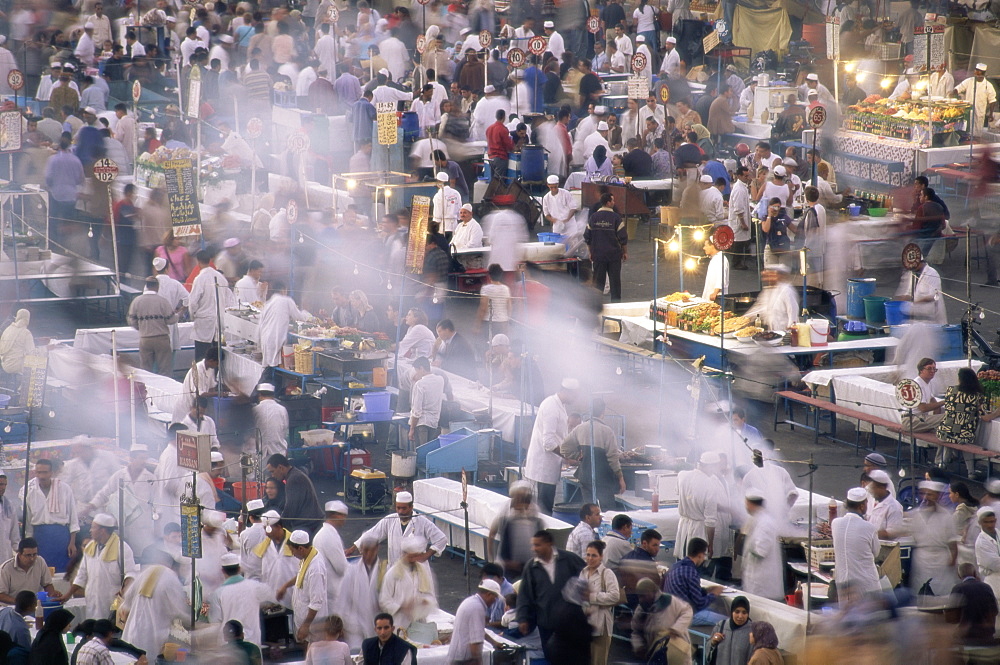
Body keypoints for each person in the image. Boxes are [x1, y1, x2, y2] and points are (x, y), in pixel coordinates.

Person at [516, 530, 586, 661]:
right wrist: (523, 618)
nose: (534, 549)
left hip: (571, 623)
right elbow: (524, 594)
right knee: (551, 657)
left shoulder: (569, 559)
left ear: (549, 544)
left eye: (538, 545)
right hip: (546, 623)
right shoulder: (531, 567)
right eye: (533, 545)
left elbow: (587, 575)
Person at [66, 514, 137, 621]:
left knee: (111, 631)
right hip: (92, 600)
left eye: (93, 527)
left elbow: (130, 573)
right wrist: (68, 595)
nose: (90, 530)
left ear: (102, 530)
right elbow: (81, 575)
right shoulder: (90, 547)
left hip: (112, 600)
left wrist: (124, 590)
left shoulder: (122, 548)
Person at [525, 378, 580, 514]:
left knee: (545, 507)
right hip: (544, 466)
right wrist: (567, 457)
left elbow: (559, 436)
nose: (576, 398)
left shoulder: (559, 405)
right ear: (567, 392)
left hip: (549, 465)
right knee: (544, 510)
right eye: (575, 395)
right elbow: (548, 442)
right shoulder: (551, 406)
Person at [351, 490, 447, 567]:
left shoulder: (422, 522)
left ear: (411, 507)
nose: (400, 511)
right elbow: (372, 534)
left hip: (417, 571)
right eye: (398, 508)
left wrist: (425, 556)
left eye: (404, 508)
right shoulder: (390, 520)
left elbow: (441, 539)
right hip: (395, 570)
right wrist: (353, 548)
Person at [560, 398, 624, 509]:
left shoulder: (579, 429)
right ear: (602, 412)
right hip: (603, 479)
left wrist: (578, 456)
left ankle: (590, 526)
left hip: (585, 477)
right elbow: (613, 458)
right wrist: (621, 478)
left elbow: (564, 448)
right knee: (608, 512)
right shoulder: (607, 431)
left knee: (589, 511)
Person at [935, 367, 1000, 472]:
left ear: (960, 379)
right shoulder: (977, 396)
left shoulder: (950, 390)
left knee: (950, 436)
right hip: (965, 436)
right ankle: (971, 471)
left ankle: (941, 463)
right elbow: (984, 417)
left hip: (944, 432)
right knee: (962, 438)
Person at [208, 552, 275, 648]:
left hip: (229, 645)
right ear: (239, 569)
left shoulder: (217, 594)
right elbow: (271, 598)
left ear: (223, 571)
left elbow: (215, 622)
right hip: (253, 643)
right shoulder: (255, 586)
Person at [906, 480, 959, 595]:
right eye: (923, 494)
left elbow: (953, 544)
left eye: (930, 494)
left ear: (937, 496)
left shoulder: (946, 516)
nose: (926, 497)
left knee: (941, 595)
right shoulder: (916, 514)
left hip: (941, 560)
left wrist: (952, 561)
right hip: (922, 560)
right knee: (921, 594)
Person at [24, 459, 78, 573]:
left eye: (44, 472)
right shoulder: (29, 491)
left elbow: (73, 516)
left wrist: (72, 542)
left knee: (62, 572)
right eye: (38, 472)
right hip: (40, 538)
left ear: (51, 473)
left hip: (61, 537)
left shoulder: (64, 489)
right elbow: (28, 522)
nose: (41, 476)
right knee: (42, 572)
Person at [487, 482, 546, 579]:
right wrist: (492, 559)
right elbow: (492, 534)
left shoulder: (534, 511)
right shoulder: (505, 513)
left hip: (529, 564)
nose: (523, 503)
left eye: (525, 499)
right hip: (508, 565)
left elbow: (541, 535)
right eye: (519, 498)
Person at [831, 487, 881, 602]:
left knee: (848, 616)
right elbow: (876, 552)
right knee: (870, 616)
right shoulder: (869, 527)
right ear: (862, 506)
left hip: (843, 584)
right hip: (865, 585)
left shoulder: (835, 523)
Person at [631, 577, 693, 664]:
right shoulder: (640, 610)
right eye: (639, 596)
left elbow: (687, 610)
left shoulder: (670, 601)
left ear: (652, 592)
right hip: (655, 654)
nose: (641, 599)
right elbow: (636, 631)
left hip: (677, 650)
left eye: (644, 596)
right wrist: (639, 646)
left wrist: (676, 629)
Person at [664, 537, 725, 625]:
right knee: (724, 621)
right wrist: (714, 593)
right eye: (704, 555)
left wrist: (705, 590)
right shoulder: (691, 572)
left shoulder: (676, 566)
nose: (704, 558)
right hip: (682, 615)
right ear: (700, 555)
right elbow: (700, 603)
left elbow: (688, 591)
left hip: (670, 611)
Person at [127, 278, 179, 375]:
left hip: (145, 338)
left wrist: (141, 328)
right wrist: (178, 315)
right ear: (157, 286)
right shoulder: (162, 301)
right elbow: (171, 320)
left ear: (146, 286)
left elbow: (131, 320)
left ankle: (147, 389)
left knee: (146, 370)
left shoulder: (137, 301)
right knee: (164, 369)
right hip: (161, 338)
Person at [580, 541, 619, 665]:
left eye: (594, 555)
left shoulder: (607, 573)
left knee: (598, 661)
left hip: (601, 626)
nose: (590, 559)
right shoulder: (583, 572)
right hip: (584, 625)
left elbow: (615, 596)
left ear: (601, 557)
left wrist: (592, 597)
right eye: (588, 555)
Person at [447, 579, 503, 665]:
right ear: (489, 595)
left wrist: (494, 642)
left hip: (458, 655)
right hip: (463, 660)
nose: (495, 601)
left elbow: (479, 630)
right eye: (494, 598)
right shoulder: (477, 608)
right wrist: (478, 661)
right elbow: (475, 642)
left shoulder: (471, 601)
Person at [741, 489, 784, 601]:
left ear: (750, 504)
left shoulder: (765, 523)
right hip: (755, 582)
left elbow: (761, 551)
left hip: (763, 585)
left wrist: (749, 543)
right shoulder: (757, 519)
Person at [264, 455, 323, 534]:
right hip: (309, 523)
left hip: (309, 525)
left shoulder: (294, 479)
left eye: (272, 471)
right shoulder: (294, 475)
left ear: (280, 467)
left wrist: (280, 526)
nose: (272, 475)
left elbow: (291, 508)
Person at [259, 283, 308, 370]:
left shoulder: (268, 304)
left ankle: (266, 381)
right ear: (283, 290)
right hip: (275, 338)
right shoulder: (286, 300)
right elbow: (299, 317)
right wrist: (306, 314)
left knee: (269, 366)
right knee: (272, 369)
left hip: (265, 338)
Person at [950, 562, 1000, 645]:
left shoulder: (957, 588)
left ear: (959, 576)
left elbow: (952, 617)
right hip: (986, 636)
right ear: (975, 573)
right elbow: (994, 612)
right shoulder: (986, 587)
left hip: (966, 637)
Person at [0, 538, 61, 605]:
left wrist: (52, 594)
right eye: (28, 555)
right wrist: (20, 603)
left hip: (33, 606)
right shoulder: (5, 568)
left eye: (34, 554)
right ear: (19, 555)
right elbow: (1, 595)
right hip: (11, 608)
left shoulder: (40, 561)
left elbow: (47, 584)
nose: (32, 558)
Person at [895, 257, 946, 325]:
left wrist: (917, 301)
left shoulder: (932, 274)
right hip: (914, 318)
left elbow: (935, 296)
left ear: (920, 262)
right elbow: (907, 292)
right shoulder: (910, 273)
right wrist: (903, 298)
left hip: (931, 320)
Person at [901, 357, 946, 433]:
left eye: (934, 369)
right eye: (929, 369)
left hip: (919, 418)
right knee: (950, 417)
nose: (932, 371)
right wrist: (944, 401)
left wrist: (936, 414)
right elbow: (923, 408)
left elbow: (933, 401)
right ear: (921, 370)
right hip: (911, 421)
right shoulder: (917, 384)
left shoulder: (927, 383)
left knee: (951, 412)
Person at [706, 596, 754, 665]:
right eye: (737, 612)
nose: (740, 616)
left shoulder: (752, 631)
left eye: (744, 612)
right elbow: (708, 650)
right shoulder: (721, 626)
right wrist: (713, 642)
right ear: (732, 612)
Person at [253, 383, 289, 459]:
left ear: (260, 395)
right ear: (273, 395)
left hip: (260, 452)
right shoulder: (282, 409)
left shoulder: (255, 410)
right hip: (278, 451)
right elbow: (285, 429)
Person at [866, 469, 904, 539]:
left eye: (873, 488)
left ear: (882, 488)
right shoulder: (873, 501)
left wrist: (868, 533)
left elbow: (892, 533)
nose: (872, 491)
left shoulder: (894, 507)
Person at [475, 264, 511, 336]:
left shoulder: (485, 289)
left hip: (489, 322)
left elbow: (483, 308)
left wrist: (477, 326)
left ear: (489, 275)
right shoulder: (506, 289)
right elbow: (509, 307)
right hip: (503, 322)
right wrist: (507, 323)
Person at [701, 236, 728, 303]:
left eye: (706, 246)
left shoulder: (721, 259)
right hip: (710, 295)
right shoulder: (715, 258)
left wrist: (715, 293)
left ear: (712, 246)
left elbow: (721, 277)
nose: (704, 248)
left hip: (716, 298)